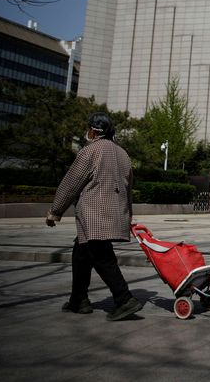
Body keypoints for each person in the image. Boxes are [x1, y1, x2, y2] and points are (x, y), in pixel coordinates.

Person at [46, 112, 143, 321]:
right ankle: (78, 300)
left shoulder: (90, 151)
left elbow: (71, 183)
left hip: (94, 214)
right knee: (81, 253)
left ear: (94, 131)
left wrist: (55, 211)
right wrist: (127, 216)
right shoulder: (123, 154)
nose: (87, 132)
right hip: (114, 213)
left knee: (101, 256)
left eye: (88, 128)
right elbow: (129, 189)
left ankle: (124, 299)